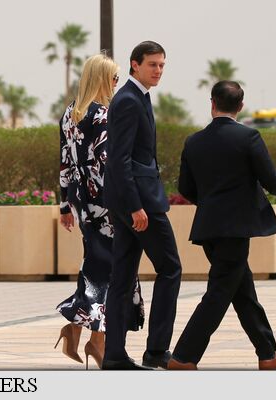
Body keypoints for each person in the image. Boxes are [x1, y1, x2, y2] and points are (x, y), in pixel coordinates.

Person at [168, 80, 276, 370]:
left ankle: (267, 353)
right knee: (219, 293)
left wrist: (210, 203)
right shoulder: (248, 137)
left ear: (212, 103)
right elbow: (270, 179)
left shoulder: (193, 141)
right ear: (241, 106)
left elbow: (185, 187)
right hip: (236, 229)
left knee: (242, 291)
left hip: (208, 228)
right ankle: (183, 357)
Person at [56, 54, 145, 370]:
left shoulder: (70, 114)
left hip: (82, 200)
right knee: (113, 268)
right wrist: (132, 201)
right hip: (106, 199)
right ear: (103, 79)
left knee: (98, 263)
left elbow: (65, 161)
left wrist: (65, 205)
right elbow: (110, 162)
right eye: (115, 78)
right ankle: (93, 338)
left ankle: (83, 333)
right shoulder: (104, 115)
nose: (117, 83)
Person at [102, 41, 182, 370]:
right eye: (152, 64)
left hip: (132, 200)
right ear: (135, 65)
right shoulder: (128, 100)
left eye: (162, 65)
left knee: (122, 278)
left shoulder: (138, 97)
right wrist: (135, 206)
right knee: (170, 268)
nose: (158, 70)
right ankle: (157, 350)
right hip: (139, 204)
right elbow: (119, 159)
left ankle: (114, 355)